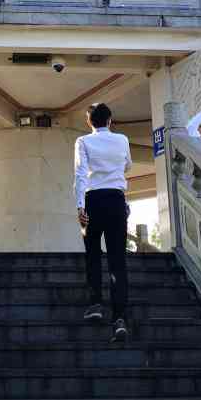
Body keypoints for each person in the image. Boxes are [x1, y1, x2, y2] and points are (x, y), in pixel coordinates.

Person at [74, 102, 132, 341]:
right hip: (117, 200)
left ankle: (96, 304)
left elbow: (79, 173)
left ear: (89, 122)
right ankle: (119, 318)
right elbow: (127, 165)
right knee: (118, 259)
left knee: (93, 254)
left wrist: (80, 206)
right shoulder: (123, 140)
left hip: (93, 200)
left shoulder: (83, 141)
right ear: (110, 120)